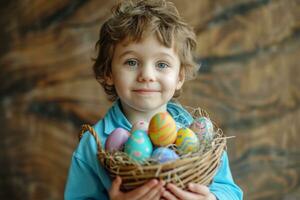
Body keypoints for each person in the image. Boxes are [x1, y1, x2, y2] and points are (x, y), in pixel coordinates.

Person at [64, 0, 243, 199]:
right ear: (108, 73)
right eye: (131, 62)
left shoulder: (196, 135)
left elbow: (231, 191)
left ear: (179, 77)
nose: (147, 75)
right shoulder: (94, 144)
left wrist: (212, 198)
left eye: (162, 64)